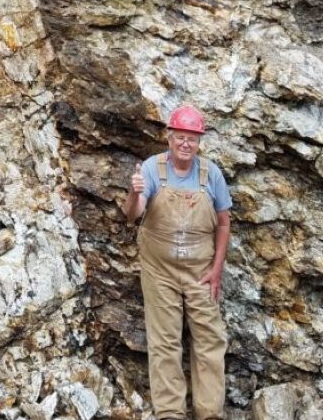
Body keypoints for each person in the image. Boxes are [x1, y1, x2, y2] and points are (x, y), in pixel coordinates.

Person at [123, 104, 232, 420]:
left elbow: (223, 223)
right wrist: (133, 193)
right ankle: (170, 413)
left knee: (210, 340)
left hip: (201, 270)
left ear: (199, 141)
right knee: (165, 342)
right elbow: (133, 214)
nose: (186, 144)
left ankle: (209, 412)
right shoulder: (151, 169)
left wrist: (216, 271)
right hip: (160, 272)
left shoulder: (210, 174)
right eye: (180, 137)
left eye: (192, 138)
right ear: (169, 137)